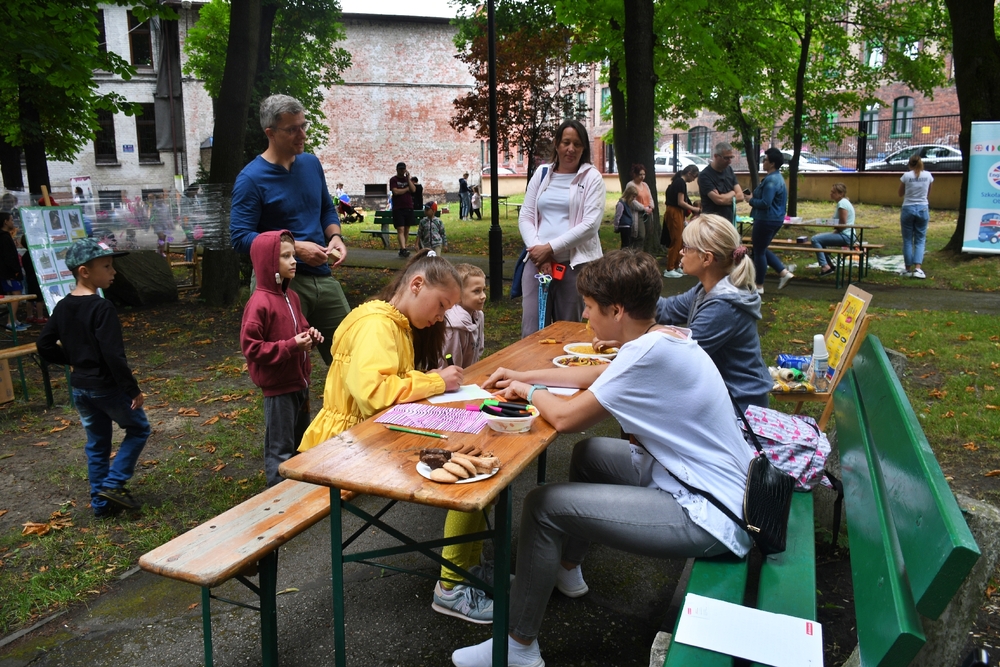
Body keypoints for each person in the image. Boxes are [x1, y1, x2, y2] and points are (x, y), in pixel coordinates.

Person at [452, 250, 753, 667]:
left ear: (617, 309)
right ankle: (566, 568)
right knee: (591, 455)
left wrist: (528, 392)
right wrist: (523, 376)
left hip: (709, 513)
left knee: (542, 507)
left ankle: (517, 648)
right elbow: (593, 376)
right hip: (716, 486)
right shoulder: (663, 337)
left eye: (590, 308)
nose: (585, 316)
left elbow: (566, 417)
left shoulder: (646, 354)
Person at [299, 249, 465, 451]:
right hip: (344, 447)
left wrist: (423, 377)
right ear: (417, 284)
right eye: (441, 305)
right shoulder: (377, 325)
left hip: (361, 440)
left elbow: (387, 378)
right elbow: (373, 395)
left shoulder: (398, 325)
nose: (441, 316)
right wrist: (435, 382)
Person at [230, 94, 351, 366]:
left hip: (323, 277)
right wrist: (296, 248)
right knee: (289, 371)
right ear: (270, 133)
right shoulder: (251, 179)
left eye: (303, 125)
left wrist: (335, 237)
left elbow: (325, 209)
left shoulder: (310, 164)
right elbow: (240, 237)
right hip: (280, 286)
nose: (302, 135)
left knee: (351, 358)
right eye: (292, 129)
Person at [37, 238, 150, 518]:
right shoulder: (102, 308)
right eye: (107, 266)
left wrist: (75, 360)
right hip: (106, 388)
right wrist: (132, 389)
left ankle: (101, 505)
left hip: (81, 389)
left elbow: (44, 345)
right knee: (138, 429)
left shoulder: (63, 306)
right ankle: (113, 484)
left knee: (98, 444)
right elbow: (113, 355)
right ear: (84, 271)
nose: (113, 272)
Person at [636, 215, 771, 410]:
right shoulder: (707, 288)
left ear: (706, 258)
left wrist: (629, 334)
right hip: (719, 396)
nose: (681, 251)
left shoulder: (724, 306)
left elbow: (681, 355)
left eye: (687, 247)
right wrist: (630, 291)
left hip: (740, 407)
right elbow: (667, 310)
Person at [240, 231, 324, 487]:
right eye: (285, 257)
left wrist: (311, 333)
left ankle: (297, 490)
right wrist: (290, 346)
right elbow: (252, 348)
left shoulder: (292, 297)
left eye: (293, 255)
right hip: (278, 389)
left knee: (300, 441)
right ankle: (277, 499)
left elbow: (300, 326)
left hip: (300, 383)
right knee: (280, 447)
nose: (293, 261)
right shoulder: (259, 303)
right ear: (268, 262)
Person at [433, 262, 490, 623]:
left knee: (489, 470)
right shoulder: (450, 324)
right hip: (444, 406)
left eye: (485, 290)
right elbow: (444, 366)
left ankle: (471, 568)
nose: (483, 297)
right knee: (466, 485)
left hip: (464, 397)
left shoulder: (475, 318)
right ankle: (451, 586)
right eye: (477, 291)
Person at [517, 119, 606, 338]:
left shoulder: (592, 178)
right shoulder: (542, 173)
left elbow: (590, 225)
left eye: (577, 144)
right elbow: (526, 216)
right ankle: (531, 372)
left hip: (574, 267)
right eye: (566, 142)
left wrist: (550, 248)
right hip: (538, 265)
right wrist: (540, 252)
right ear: (556, 144)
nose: (571, 149)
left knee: (568, 331)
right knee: (532, 331)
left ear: (584, 148)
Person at [747, 147, 794, 293]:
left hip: (766, 219)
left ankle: (759, 286)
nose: (763, 162)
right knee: (761, 248)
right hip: (775, 219)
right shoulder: (777, 178)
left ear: (772, 163)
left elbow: (766, 203)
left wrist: (750, 200)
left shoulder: (772, 180)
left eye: (765, 160)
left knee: (759, 251)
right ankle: (783, 272)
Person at [661, 164, 701, 277]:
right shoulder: (680, 183)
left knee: (681, 239)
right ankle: (670, 268)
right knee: (676, 239)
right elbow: (681, 202)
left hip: (678, 212)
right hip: (674, 212)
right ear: (689, 173)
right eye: (694, 176)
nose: (694, 179)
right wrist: (694, 209)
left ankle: (677, 265)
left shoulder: (678, 182)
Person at [898, 154, 933, 279]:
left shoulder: (906, 176)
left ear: (909, 164)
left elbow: (900, 193)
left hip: (908, 207)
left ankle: (907, 269)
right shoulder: (928, 175)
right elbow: (928, 192)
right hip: (923, 207)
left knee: (907, 240)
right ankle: (918, 269)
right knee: (920, 239)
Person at [811, 183, 856, 277]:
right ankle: (830, 265)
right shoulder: (844, 202)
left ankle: (825, 266)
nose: (831, 194)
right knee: (820, 239)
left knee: (815, 239)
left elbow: (843, 224)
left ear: (841, 193)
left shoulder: (842, 203)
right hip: (847, 234)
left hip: (846, 236)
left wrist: (831, 224)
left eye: (833, 192)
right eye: (831, 192)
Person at [698, 141, 745, 223]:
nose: (730, 161)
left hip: (729, 221)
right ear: (716, 156)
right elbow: (719, 201)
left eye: (731, 157)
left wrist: (724, 197)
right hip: (712, 222)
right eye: (726, 158)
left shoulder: (729, 170)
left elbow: (741, 196)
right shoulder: (704, 175)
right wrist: (732, 193)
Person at [0, 212, 29, 331]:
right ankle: (10, 323)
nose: (13, 222)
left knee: (13, 295)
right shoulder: (3, 237)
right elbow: (8, 257)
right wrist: (15, 271)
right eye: (11, 220)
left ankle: (15, 320)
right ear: (5, 222)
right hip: (9, 274)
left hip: (9, 272)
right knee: (16, 295)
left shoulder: (6, 236)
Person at [390, 162, 417, 257]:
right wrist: (406, 189)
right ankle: (403, 248)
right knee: (400, 229)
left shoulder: (407, 180)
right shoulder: (393, 179)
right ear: (397, 169)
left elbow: (413, 190)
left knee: (406, 229)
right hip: (398, 208)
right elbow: (395, 191)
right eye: (400, 169)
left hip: (408, 207)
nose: (402, 171)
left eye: (403, 169)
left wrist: (408, 179)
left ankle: (403, 248)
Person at [613, 183, 645, 249]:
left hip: (628, 225)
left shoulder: (628, 204)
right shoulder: (621, 204)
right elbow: (618, 215)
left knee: (628, 243)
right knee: (625, 244)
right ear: (629, 195)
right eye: (633, 196)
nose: (634, 199)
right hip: (624, 226)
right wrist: (616, 226)